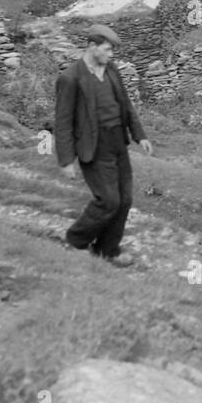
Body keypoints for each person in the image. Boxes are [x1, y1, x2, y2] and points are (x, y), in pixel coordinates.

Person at [54, 24, 152, 267]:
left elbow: (126, 105)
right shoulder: (71, 78)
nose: (111, 55)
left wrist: (140, 135)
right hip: (94, 147)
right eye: (107, 49)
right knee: (109, 201)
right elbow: (63, 121)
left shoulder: (111, 70)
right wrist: (66, 159)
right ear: (92, 47)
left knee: (125, 200)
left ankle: (107, 251)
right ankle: (75, 240)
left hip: (118, 142)